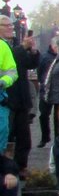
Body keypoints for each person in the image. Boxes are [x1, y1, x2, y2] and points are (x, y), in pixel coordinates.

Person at [6, 26, 38, 173]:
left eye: (11, 26)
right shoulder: (6, 46)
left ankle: (20, 165)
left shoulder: (15, 44)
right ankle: (6, 167)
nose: (10, 28)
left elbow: (30, 64)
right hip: (6, 98)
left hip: (21, 98)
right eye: (6, 26)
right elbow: (12, 58)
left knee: (24, 136)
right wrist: (23, 47)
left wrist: (32, 50)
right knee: (6, 134)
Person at [39, 37, 59, 131]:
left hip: (58, 93)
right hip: (54, 92)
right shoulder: (58, 57)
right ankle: (49, 137)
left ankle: (58, 139)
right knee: (51, 116)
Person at [0, 17, 17, 153]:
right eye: (7, 25)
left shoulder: (3, 47)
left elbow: (12, 72)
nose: (11, 27)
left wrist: (3, 81)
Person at [36, 38, 57, 147]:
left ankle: (55, 138)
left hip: (56, 89)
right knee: (44, 115)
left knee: (55, 116)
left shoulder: (47, 56)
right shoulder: (45, 57)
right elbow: (39, 71)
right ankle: (45, 137)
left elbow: (39, 72)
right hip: (46, 89)